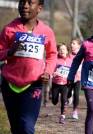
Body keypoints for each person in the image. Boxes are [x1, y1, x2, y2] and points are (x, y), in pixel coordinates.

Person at [0, 0, 57, 133]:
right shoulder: (9, 29)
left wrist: (47, 72)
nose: (25, 5)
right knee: (16, 127)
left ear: (39, 8)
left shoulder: (46, 31)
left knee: (26, 126)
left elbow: (52, 55)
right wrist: (9, 52)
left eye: (30, 2)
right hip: (10, 85)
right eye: (22, 2)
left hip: (33, 84)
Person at [51, 43, 70, 124]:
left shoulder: (70, 60)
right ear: (58, 51)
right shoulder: (55, 60)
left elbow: (73, 70)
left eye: (64, 49)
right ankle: (52, 95)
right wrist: (53, 73)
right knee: (54, 101)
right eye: (60, 49)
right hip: (56, 83)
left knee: (64, 99)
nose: (62, 51)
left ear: (67, 51)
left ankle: (62, 116)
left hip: (65, 84)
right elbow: (51, 69)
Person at [66, 38, 82, 120]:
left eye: (74, 43)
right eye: (71, 43)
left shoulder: (82, 54)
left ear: (79, 45)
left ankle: (75, 111)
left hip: (78, 78)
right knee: (68, 93)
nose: (71, 45)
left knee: (76, 94)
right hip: (69, 77)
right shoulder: (68, 55)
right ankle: (69, 96)